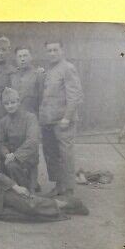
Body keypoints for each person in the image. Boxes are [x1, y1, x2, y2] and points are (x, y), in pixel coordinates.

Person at [39, 40, 83, 196]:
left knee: (66, 156)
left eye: (55, 50)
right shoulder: (50, 70)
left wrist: (67, 117)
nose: (52, 53)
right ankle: (59, 186)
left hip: (63, 121)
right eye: (49, 50)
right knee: (52, 154)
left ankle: (69, 191)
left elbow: (75, 96)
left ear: (62, 50)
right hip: (48, 121)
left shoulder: (68, 68)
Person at [0, 88, 40, 193]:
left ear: (18, 102)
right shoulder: (3, 121)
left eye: (13, 102)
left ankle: (27, 189)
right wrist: (6, 153)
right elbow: (0, 142)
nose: (10, 106)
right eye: (6, 103)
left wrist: (15, 155)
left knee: (12, 166)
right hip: (10, 157)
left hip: (27, 156)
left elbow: (32, 141)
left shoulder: (30, 118)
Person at [10, 46, 44, 116]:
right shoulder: (12, 75)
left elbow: (42, 99)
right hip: (14, 116)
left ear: (31, 57)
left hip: (32, 116)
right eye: (19, 56)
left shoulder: (38, 75)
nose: (22, 59)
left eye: (25, 56)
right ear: (16, 59)